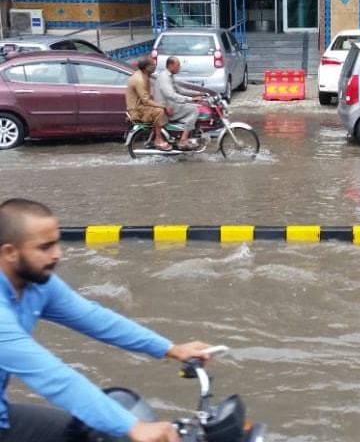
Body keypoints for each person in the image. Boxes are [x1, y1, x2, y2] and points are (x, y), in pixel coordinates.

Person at [0, 198, 211, 442]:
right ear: (10, 252)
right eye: (45, 247)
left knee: (92, 430)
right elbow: (52, 376)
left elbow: (95, 318)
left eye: (57, 243)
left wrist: (171, 349)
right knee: (117, 427)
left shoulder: (36, 285)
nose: (58, 254)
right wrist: (133, 427)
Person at [155, 56, 204, 150]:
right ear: (170, 65)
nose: (179, 68)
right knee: (194, 110)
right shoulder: (164, 78)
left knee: (193, 106)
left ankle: (189, 134)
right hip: (167, 108)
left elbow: (180, 90)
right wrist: (190, 99)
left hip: (171, 105)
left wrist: (197, 93)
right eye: (177, 66)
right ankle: (183, 139)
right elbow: (171, 95)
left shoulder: (170, 76)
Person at [126, 56, 173, 151]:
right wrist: (164, 106)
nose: (155, 66)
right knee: (159, 111)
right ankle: (158, 139)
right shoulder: (139, 80)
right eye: (153, 65)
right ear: (147, 67)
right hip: (138, 110)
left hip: (141, 106)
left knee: (163, 105)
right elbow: (146, 101)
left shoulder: (144, 75)